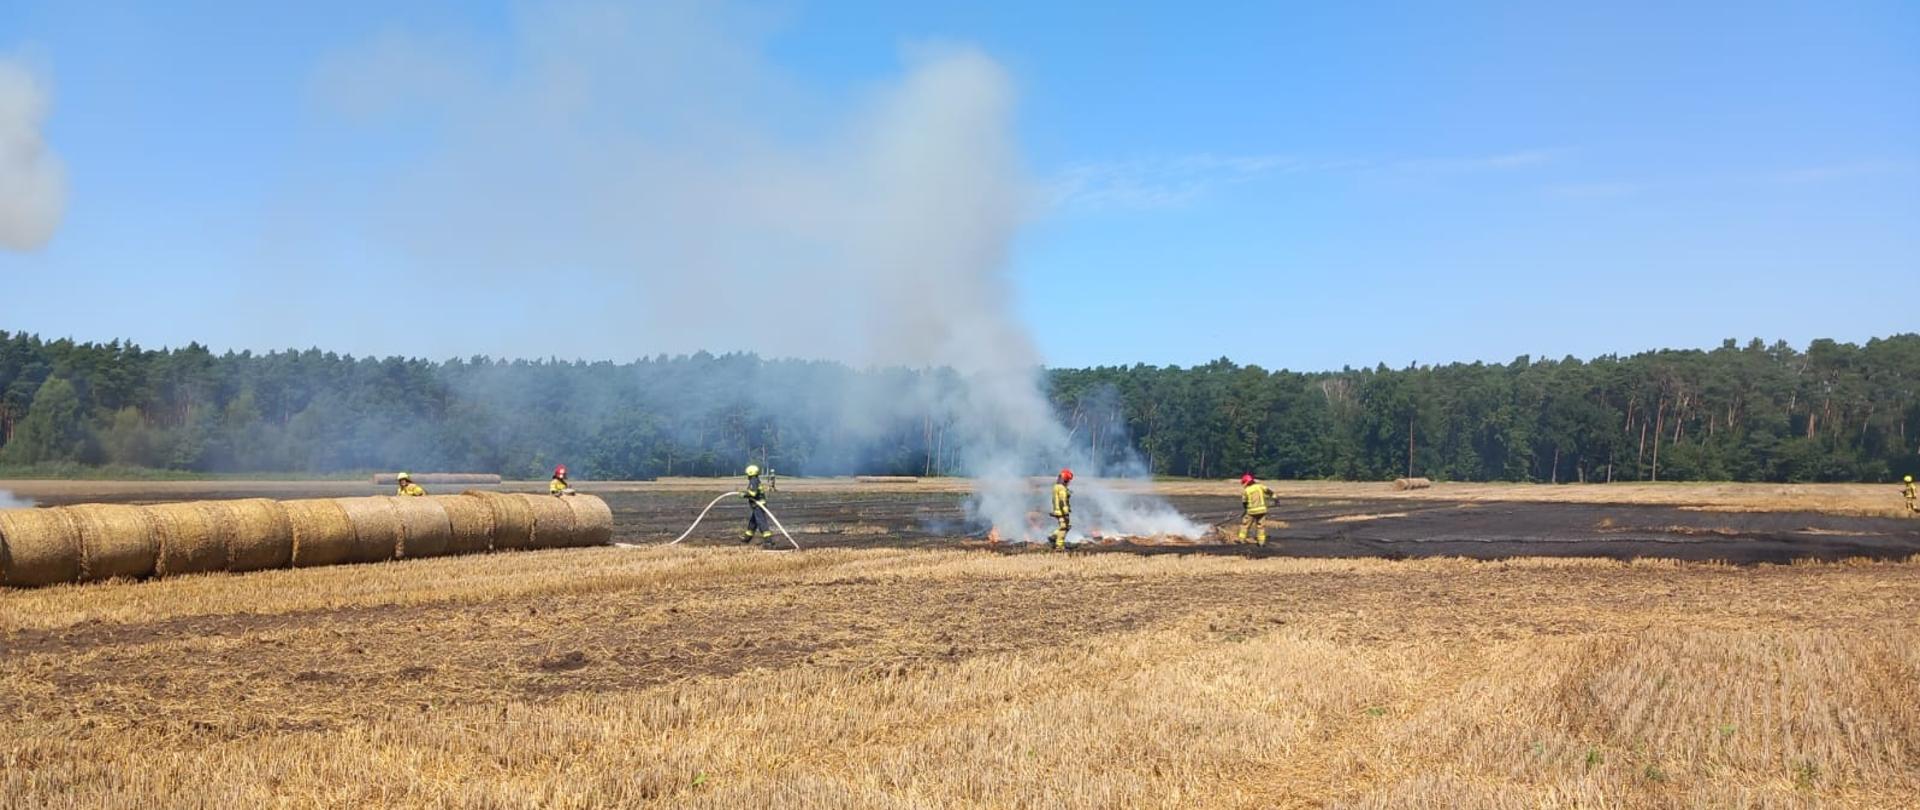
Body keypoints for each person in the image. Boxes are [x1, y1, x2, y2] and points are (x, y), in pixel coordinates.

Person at [1239, 473, 1276, 545]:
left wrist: (1246, 510)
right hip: (1262, 511)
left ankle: (1241, 540)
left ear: (1246, 482)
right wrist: (1275, 499)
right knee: (1261, 527)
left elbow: (1244, 502)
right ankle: (1261, 542)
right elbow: (1270, 492)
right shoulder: (1260, 486)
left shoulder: (1246, 490)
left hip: (1251, 511)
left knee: (1245, 526)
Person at [741, 464, 774, 546]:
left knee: (761, 522)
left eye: (748, 474)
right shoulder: (756, 480)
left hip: (759, 505)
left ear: (750, 473)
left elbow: (753, 493)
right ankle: (746, 538)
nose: (747, 476)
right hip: (757, 505)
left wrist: (744, 495)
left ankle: (768, 541)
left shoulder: (753, 481)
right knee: (752, 523)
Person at [1048, 468, 1073, 550]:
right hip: (1062, 512)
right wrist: (1065, 512)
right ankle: (1059, 546)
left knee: (1066, 526)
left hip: (1057, 510)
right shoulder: (1062, 489)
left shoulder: (1055, 487)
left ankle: (1053, 536)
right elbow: (1063, 501)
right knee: (1064, 528)